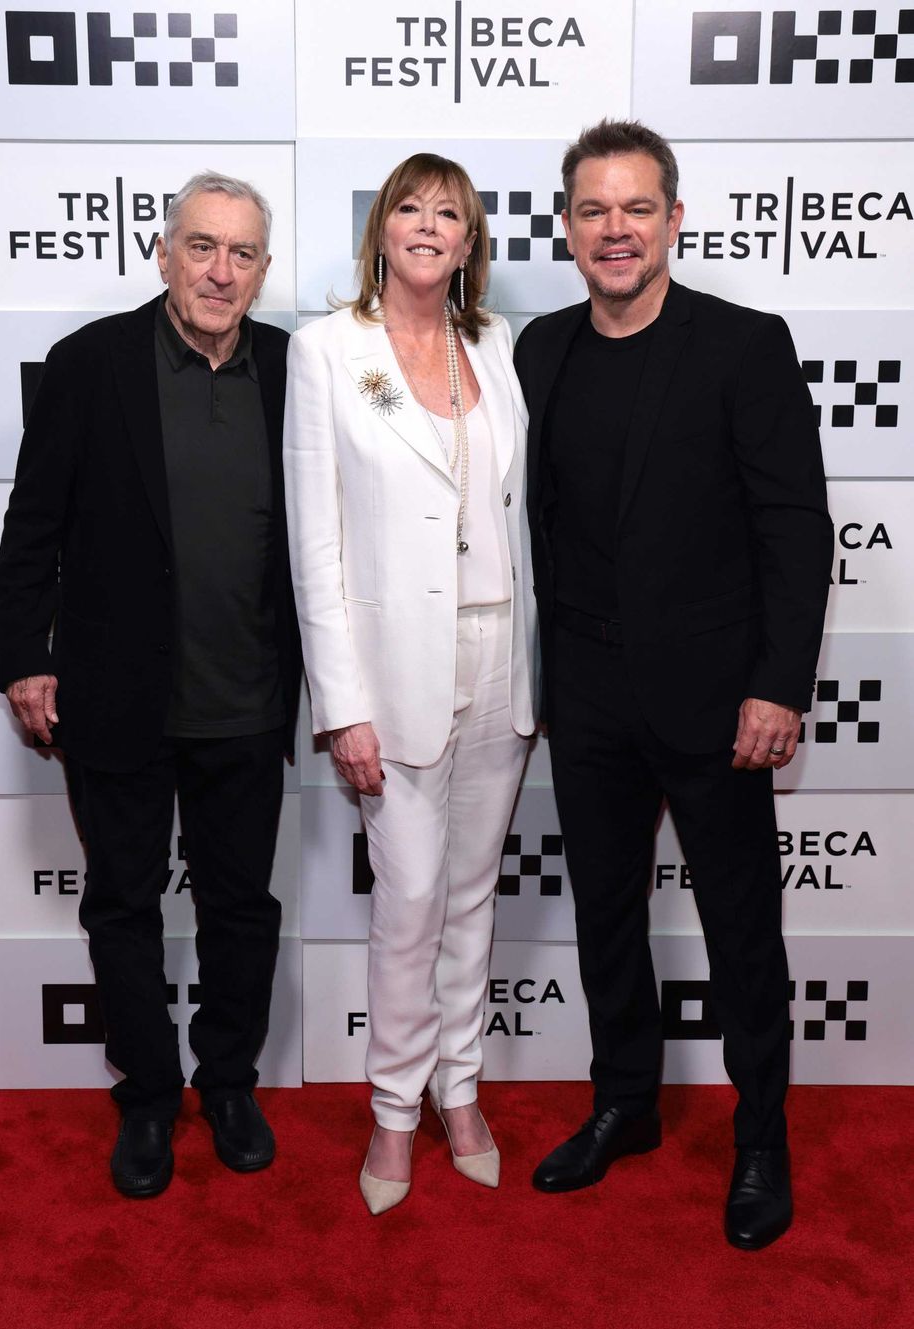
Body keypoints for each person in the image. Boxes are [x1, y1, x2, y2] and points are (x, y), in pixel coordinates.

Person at [514, 121, 832, 1249]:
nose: (614, 229)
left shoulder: (742, 344)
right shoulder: (537, 350)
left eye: (635, 208)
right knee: (604, 913)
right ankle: (624, 1104)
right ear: (565, 226)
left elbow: (793, 528)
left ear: (672, 220)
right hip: (584, 693)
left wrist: (777, 687)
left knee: (740, 924)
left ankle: (760, 1138)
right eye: (593, 210)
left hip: (715, 696)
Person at [0, 172, 300, 1198]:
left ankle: (226, 1084)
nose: (221, 270)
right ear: (163, 252)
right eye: (202, 246)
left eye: (242, 253)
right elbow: (32, 525)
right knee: (123, 904)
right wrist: (23, 655)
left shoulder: (294, 371)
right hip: (117, 694)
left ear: (263, 268)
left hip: (249, 697)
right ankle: (147, 1097)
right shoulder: (90, 364)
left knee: (239, 906)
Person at [284, 153, 537, 1214]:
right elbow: (317, 544)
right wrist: (340, 703)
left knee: (472, 894)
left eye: (450, 214)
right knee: (411, 899)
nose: (428, 226)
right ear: (380, 230)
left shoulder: (495, 342)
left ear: (470, 241)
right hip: (390, 678)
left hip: (500, 659)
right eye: (409, 209)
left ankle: (459, 1089)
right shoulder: (328, 352)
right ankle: (392, 1113)